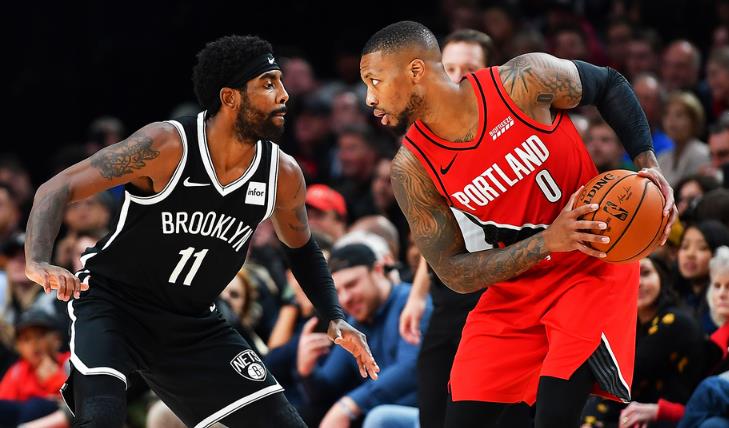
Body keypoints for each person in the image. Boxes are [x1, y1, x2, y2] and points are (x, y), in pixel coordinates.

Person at [23, 35, 378, 428]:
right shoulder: (166, 145)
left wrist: (333, 315)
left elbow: (302, 248)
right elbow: (57, 188)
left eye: (281, 82)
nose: (284, 94)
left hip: (193, 324)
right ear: (230, 98)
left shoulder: (283, 174)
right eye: (268, 83)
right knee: (101, 419)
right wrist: (37, 260)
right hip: (114, 305)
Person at [360, 21, 676, 428]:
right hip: (515, 290)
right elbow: (453, 272)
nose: (370, 97)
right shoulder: (412, 169)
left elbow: (609, 85)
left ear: (415, 70)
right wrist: (547, 241)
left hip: (591, 265)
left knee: (553, 417)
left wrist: (649, 165)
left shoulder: (521, 82)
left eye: (375, 81)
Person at [399, 27, 491, 428]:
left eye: (468, 69)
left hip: (497, 290)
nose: (455, 77)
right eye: (447, 67)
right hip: (447, 294)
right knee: (433, 409)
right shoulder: (424, 138)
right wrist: (418, 295)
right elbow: (436, 227)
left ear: (490, 73)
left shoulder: (506, 130)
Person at [296, 243, 430, 427]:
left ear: (378, 270)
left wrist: (351, 405)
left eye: (351, 285)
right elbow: (327, 391)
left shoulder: (411, 304)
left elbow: (411, 368)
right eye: (337, 292)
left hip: (428, 412)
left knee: (379, 418)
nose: (345, 298)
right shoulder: (354, 324)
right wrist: (306, 371)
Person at [580, 256, 703, 427]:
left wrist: (590, 421)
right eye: (628, 276)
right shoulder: (633, 323)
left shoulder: (674, 321)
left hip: (683, 417)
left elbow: (624, 378)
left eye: (645, 273)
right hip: (645, 412)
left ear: (662, 277)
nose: (637, 282)